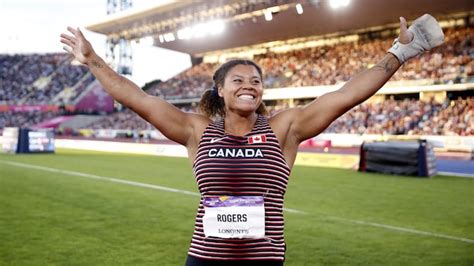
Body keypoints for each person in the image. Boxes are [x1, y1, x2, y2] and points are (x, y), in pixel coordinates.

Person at [60, 14, 444, 265]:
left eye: (256, 81)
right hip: (205, 260)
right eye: (238, 80)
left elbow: (346, 95)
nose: (249, 86)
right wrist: (93, 58)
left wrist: (400, 52)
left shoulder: (284, 128)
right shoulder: (197, 130)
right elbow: (137, 97)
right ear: (221, 90)